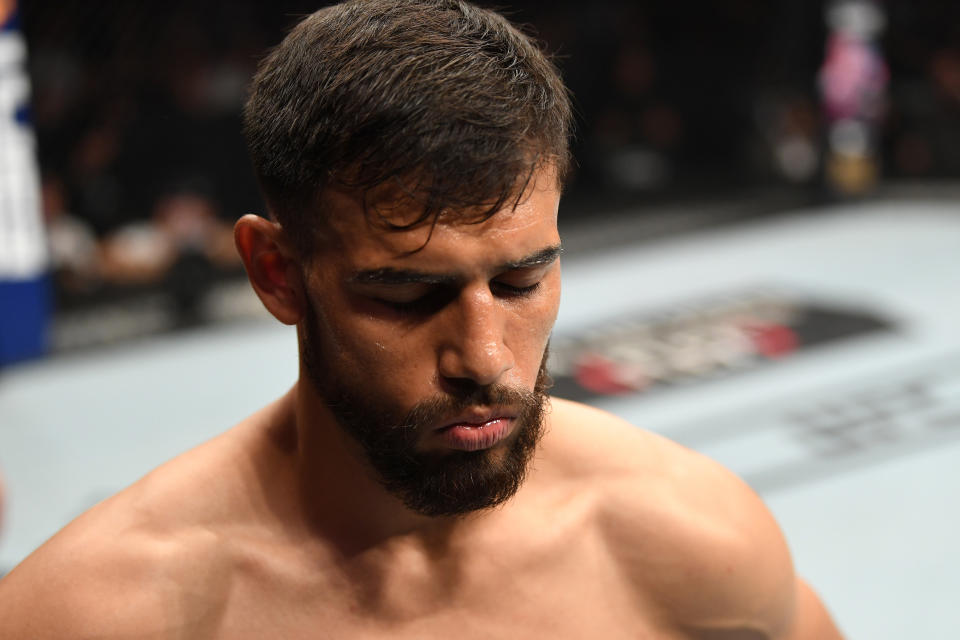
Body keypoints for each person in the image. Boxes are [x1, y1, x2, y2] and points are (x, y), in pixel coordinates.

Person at [0, 1, 842, 637]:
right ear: (277, 273)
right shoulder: (103, 612)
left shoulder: (686, 538)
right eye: (406, 296)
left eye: (520, 283)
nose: (484, 361)